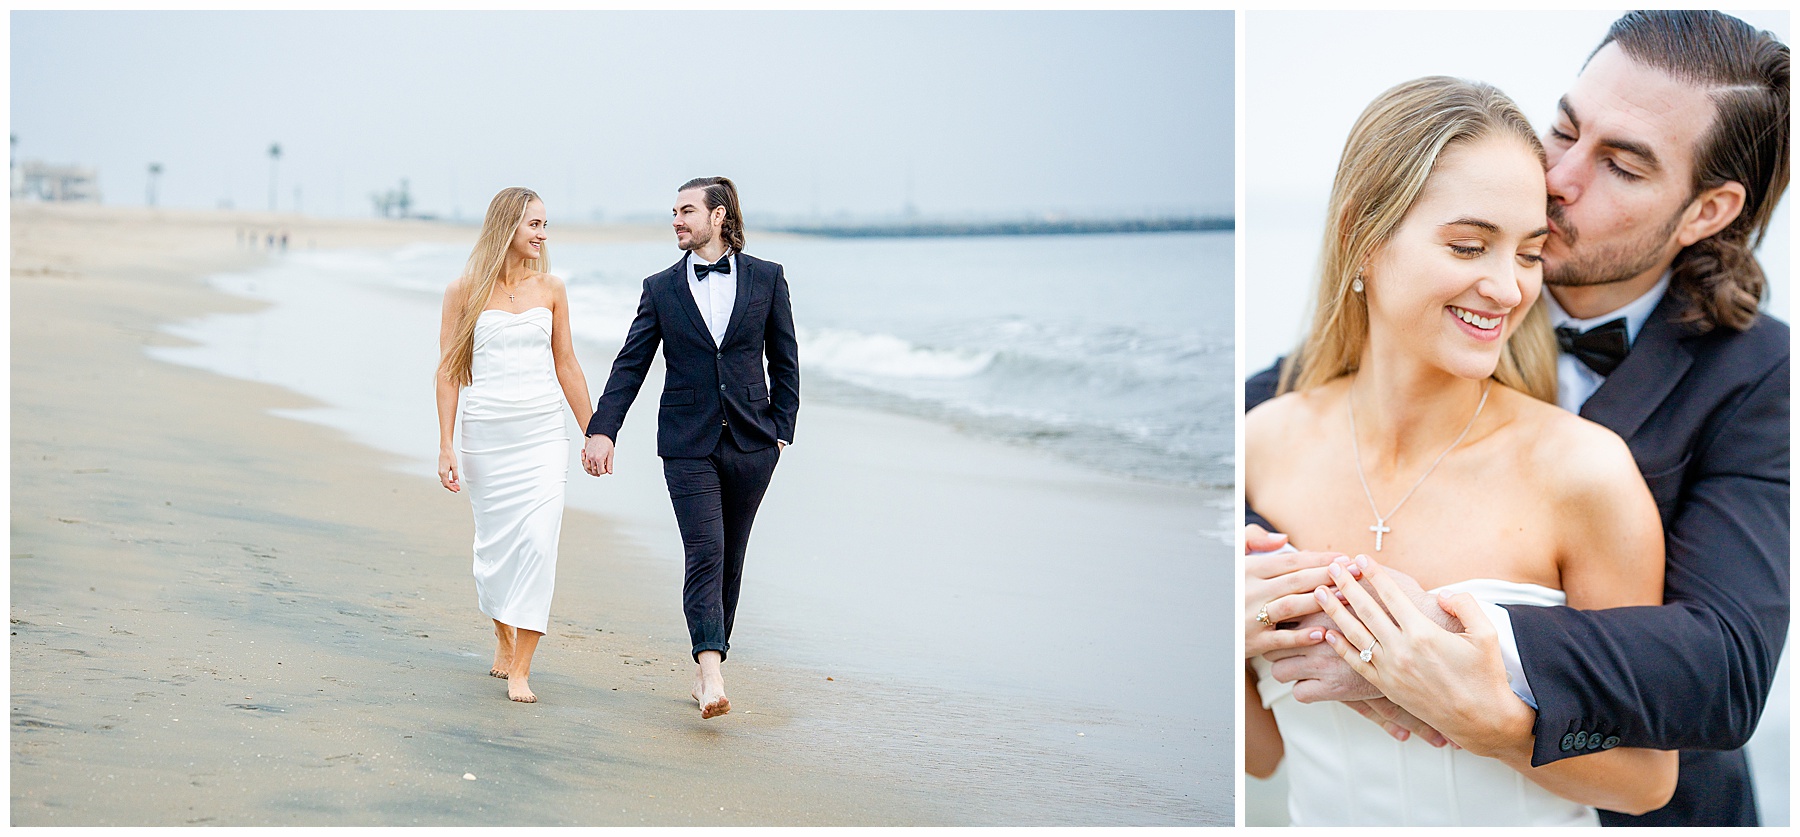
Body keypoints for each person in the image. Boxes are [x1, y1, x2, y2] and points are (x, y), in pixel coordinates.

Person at [1247, 11, 1789, 826]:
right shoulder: (1280, 412)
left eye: (1622, 166)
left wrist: (1424, 658)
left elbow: (1725, 666)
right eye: (1564, 129)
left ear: (1706, 211)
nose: (1560, 176)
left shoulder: (1757, 378)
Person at [581, 176, 799, 720]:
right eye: (674, 212)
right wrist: (602, 428)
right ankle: (710, 673)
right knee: (704, 550)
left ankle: (711, 655)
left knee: (731, 556)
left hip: (753, 441)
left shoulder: (768, 279)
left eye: (686, 211)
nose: (676, 221)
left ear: (719, 215)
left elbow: (786, 359)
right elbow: (631, 363)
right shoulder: (660, 288)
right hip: (686, 443)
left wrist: (781, 429)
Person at [435, 187, 593, 704]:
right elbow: (449, 371)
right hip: (486, 437)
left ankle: (522, 668)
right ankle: (502, 634)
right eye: (534, 224)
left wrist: (595, 429)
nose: (543, 234)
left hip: (544, 434)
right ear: (507, 227)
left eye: (545, 225)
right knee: (495, 550)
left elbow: (566, 363)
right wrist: (445, 445)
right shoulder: (463, 291)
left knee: (538, 543)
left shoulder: (552, 288)